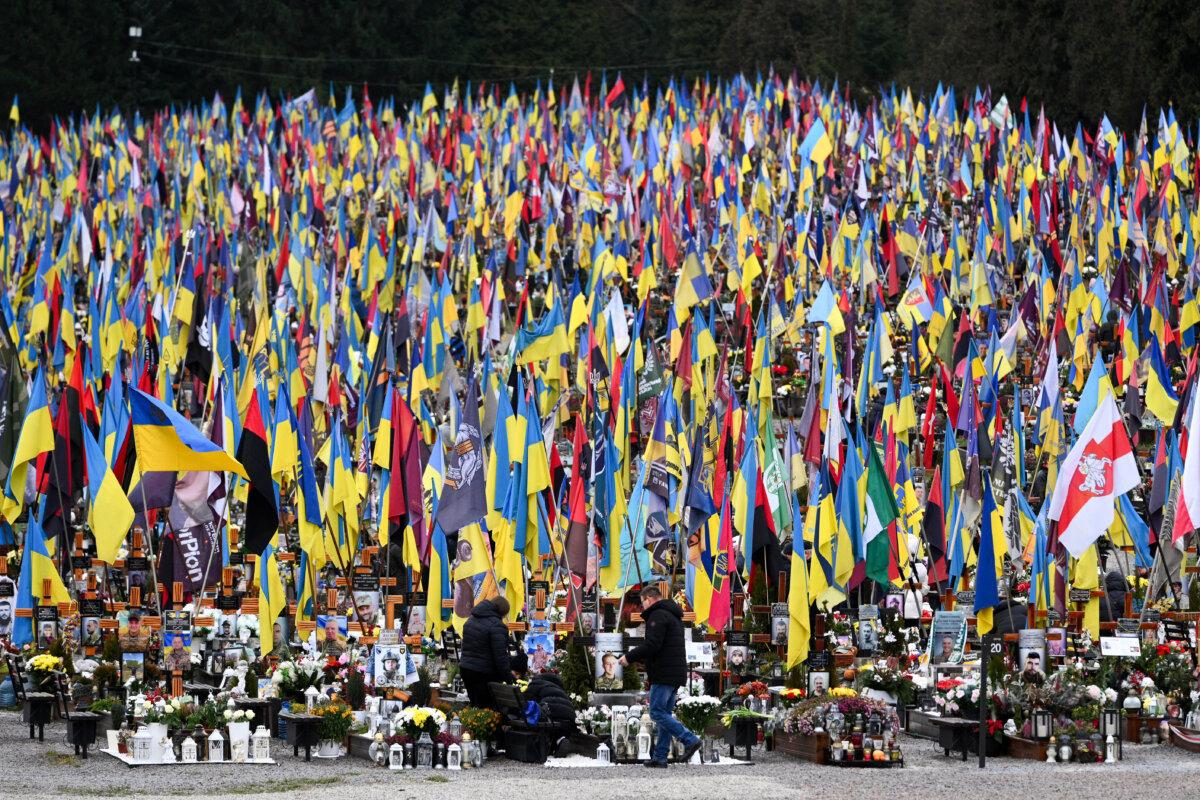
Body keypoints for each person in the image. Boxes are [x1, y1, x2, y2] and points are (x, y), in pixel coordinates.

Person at [620, 586, 701, 768]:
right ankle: (660, 757)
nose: (642, 607)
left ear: (649, 598)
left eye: (642, 602)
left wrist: (629, 657)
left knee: (656, 712)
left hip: (664, 672)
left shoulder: (657, 615)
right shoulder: (672, 614)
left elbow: (652, 645)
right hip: (674, 672)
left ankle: (690, 739)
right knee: (665, 714)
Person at [510, 653, 600, 758]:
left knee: (542, 716)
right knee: (559, 729)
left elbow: (528, 705)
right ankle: (561, 741)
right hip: (570, 718)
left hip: (551, 714)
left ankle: (555, 745)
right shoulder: (557, 686)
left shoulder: (534, 684)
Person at [459, 596, 511, 709]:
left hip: (466, 669)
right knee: (488, 710)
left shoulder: (471, 619)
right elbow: (500, 656)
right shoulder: (497, 625)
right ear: (502, 612)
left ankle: (472, 726)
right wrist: (509, 679)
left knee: (475, 707)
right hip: (484, 673)